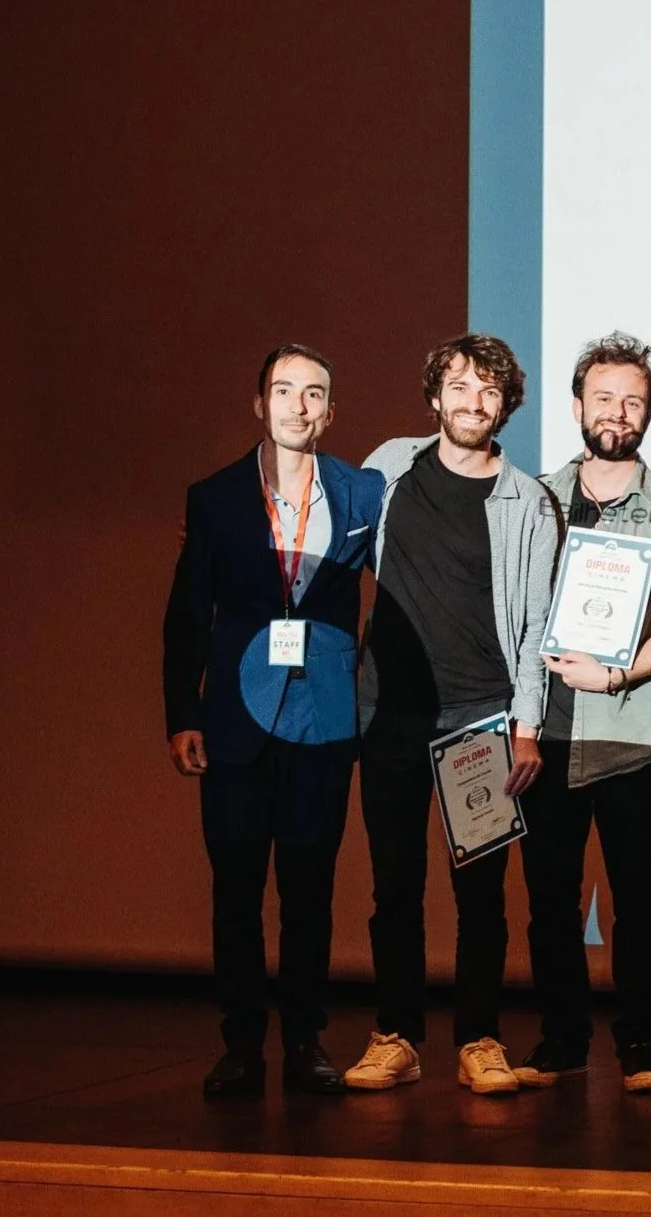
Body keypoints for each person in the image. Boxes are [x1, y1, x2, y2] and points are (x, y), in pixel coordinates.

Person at [163, 345, 385, 1096]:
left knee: (309, 893)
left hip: (321, 723)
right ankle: (240, 1046)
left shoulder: (361, 493)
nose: (298, 405)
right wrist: (181, 713)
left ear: (331, 410)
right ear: (259, 404)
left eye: (313, 393)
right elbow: (187, 616)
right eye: (283, 391)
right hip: (234, 722)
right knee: (235, 893)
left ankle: (303, 1043)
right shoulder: (216, 497)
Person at [343, 335, 559, 1096]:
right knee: (393, 885)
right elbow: (329, 548)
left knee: (480, 891)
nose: (473, 403)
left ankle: (479, 1040)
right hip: (390, 713)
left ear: (506, 406)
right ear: (435, 396)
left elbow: (537, 624)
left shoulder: (526, 499)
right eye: (460, 387)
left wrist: (525, 723)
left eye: (489, 392)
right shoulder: (387, 468)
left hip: (481, 717)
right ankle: (395, 1035)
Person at [518, 334, 651, 1094]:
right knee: (549, 901)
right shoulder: (530, 498)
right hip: (545, 735)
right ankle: (562, 1042)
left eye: (632, 400)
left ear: (648, 413)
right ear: (577, 406)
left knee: (636, 899)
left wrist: (618, 673)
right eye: (603, 398)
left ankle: (639, 1046)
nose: (616, 412)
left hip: (633, 735)